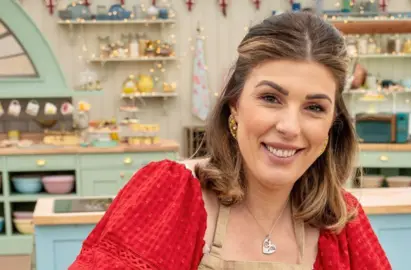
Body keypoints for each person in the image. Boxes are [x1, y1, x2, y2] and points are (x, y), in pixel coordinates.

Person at [70, 12, 391, 270]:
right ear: (234, 104)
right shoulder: (171, 199)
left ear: (332, 125)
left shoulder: (342, 223)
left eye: (314, 108)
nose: (290, 127)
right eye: (271, 98)